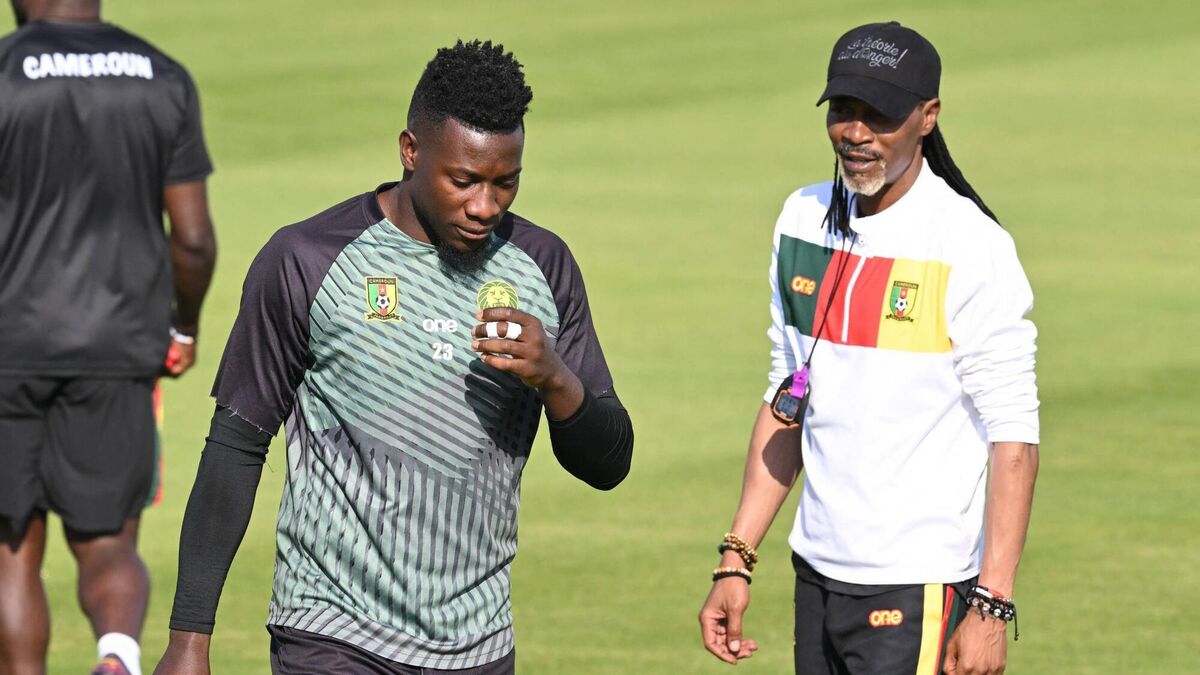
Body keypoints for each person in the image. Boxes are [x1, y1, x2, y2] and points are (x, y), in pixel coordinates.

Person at [154, 39, 634, 675]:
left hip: (479, 645)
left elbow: (609, 464)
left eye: (506, 183)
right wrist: (189, 638)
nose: (485, 206)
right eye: (463, 180)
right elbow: (236, 445)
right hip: (330, 632)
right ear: (411, 151)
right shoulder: (308, 259)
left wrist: (556, 379)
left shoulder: (543, 266)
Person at [698, 21, 1039, 675]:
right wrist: (736, 557)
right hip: (815, 575)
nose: (856, 132)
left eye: (878, 115)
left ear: (927, 117)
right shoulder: (801, 219)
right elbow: (788, 394)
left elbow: (1014, 436)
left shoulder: (970, 245)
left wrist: (992, 605)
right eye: (843, 110)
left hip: (918, 585)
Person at [0, 1, 216, 674]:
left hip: (9, 349)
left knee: (11, 552)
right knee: (110, 543)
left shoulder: (4, 71)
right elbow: (193, 238)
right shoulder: (162, 75)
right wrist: (184, 325)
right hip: (120, 348)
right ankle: (117, 654)